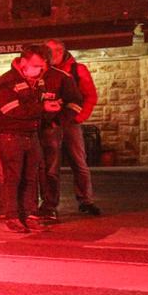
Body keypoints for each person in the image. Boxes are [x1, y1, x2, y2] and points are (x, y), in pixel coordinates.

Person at [0, 45, 50, 234]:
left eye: (42, 66)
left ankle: (30, 215)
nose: (39, 70)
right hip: (10, 135)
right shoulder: (6, 82)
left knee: (31, 177)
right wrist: (43, 109)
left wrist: (47, 108)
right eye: (36, 65)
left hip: (30, 133)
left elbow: (35, 105)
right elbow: (11, 110)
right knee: (13, 177)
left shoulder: (37, 81)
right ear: (23, 62)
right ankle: (13, 216)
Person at [42, 38, 102, 216]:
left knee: (79, 163)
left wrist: (79, 118)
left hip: (70, 122)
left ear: (59, 52)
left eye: (49, 53)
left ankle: (85, 200)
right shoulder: (46, 71)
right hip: (53, 123)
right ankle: (50, 203)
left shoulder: (77, 70)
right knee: (51, 165)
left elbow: (90, 96)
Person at [33, 48, 83, 225]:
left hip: (50, 129)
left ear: (45, 61)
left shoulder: (61, 78)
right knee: (33, 168)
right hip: (30, 129)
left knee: (50, 169)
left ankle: (49, 206)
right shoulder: (28, 77)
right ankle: (31, 206)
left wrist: (58, 121)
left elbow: (76, 102)